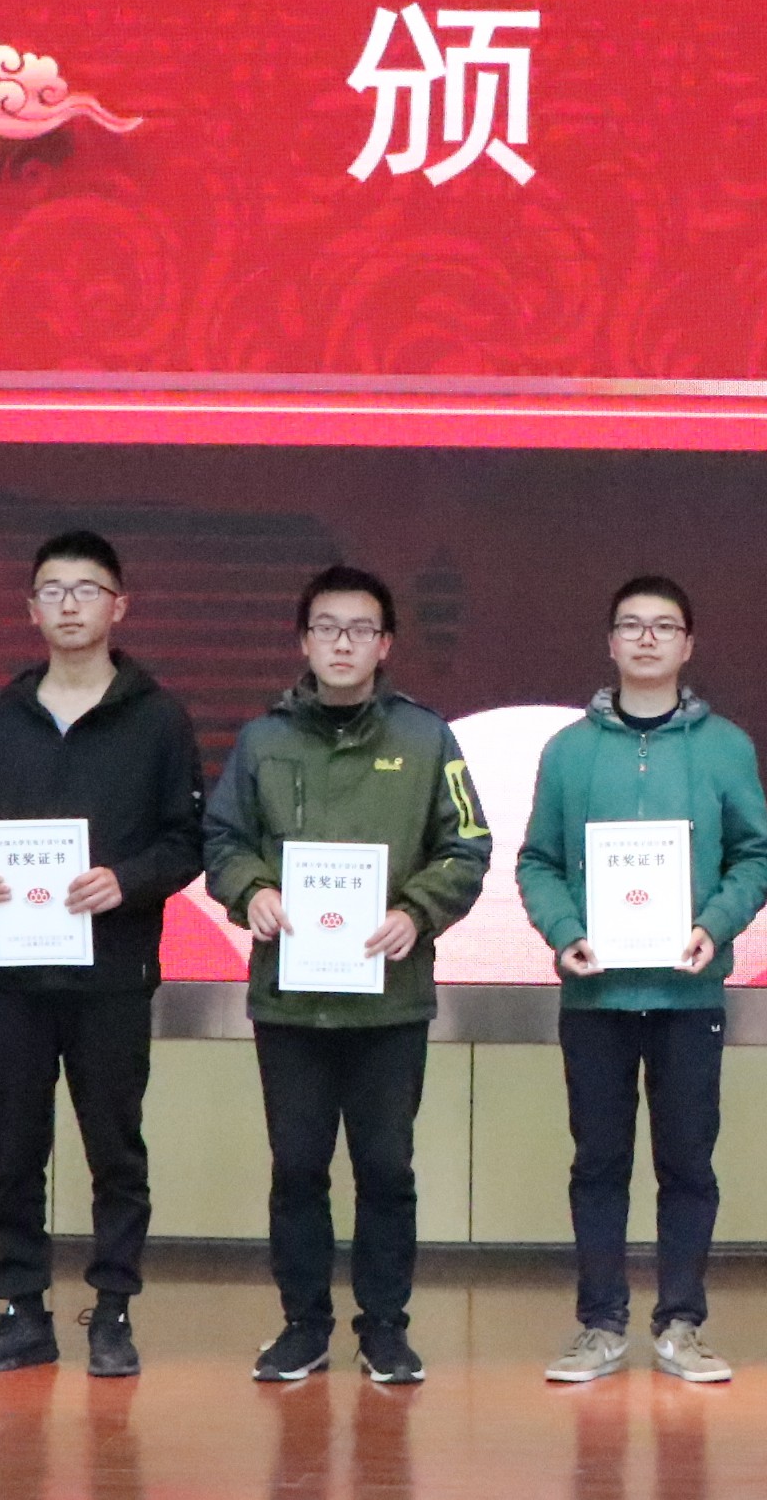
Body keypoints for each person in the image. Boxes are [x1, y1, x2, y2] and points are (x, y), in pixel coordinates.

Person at [207, 563, 492, 1387]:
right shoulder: (262, 741)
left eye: (360, 629)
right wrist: (251, 890)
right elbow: (221, 838)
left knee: (386, 1168)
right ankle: (303, 1324)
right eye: (327, 627)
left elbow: (467, 845)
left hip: (389, 1003)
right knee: (297, 1166)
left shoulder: (427, 738)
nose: (342, 643)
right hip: (290, 1001)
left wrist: (417, 910)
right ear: (303, 641)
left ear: (385, 644)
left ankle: (386, 1327)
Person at [0, 531, 206, 1379]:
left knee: (114, 1149)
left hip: (113, 973)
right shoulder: (1, 716)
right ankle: (22, 1308)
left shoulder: (158, 716)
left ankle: (114, 1309)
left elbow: (187, 841)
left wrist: (125, 881)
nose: (68, 603)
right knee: (13, 1147)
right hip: (15, 973)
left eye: (86, 588)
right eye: (51, 589)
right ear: (30, 609)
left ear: (119, 605)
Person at [516, 576, 767, 1387]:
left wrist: (715, 924)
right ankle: (599, 1325)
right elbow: (538, 860)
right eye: (631, 624)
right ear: (610, 642)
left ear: (688, 644)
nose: (647, 638)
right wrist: (565, 931)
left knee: (688, 1164)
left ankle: (682, 1323)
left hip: (688, 994)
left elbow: (755, 856)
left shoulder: (726, 746)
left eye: (664, 626)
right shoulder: (568, 751)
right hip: (595, 995)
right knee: (598, 1163)